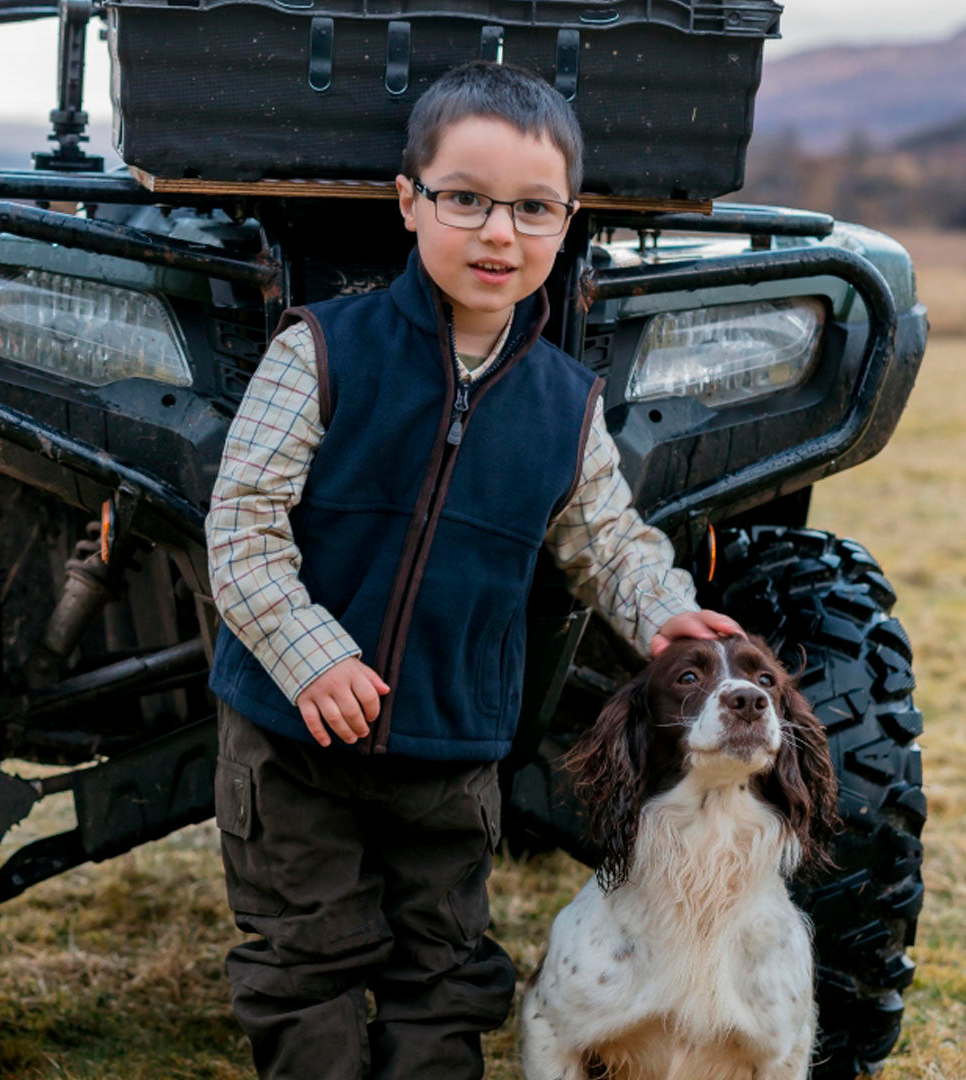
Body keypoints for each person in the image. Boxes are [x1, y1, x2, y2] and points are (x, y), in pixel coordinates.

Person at [206, 59, 742, 1080]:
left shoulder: (564, 402)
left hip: (450, 749)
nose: (499, 234)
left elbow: (610, 539)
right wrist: (311, 657)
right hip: (292, 738)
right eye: (466, 200)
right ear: (411, 203)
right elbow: (241, 526)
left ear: (567, 220)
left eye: (531, 209)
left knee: (443, 972)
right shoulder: (321, 351)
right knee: (303, 959)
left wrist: (668, 614)